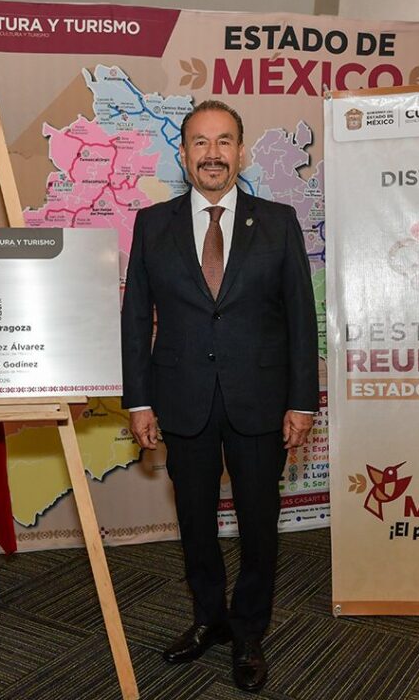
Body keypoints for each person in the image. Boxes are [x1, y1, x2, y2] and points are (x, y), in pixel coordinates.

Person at [121, 100, 318, 692]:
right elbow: (136, 318)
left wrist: (302, 401)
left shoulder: (278, 222)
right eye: (201, 142)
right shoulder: (152, 224)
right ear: (183, 154)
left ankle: (250, 632)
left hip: (260, 401)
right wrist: (139, 401)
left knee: (259, 525)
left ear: (241, 151)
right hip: (182, 401)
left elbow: (300, 318)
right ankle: (209, 619)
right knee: (194, 522)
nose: (213, 153)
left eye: (224, 141)